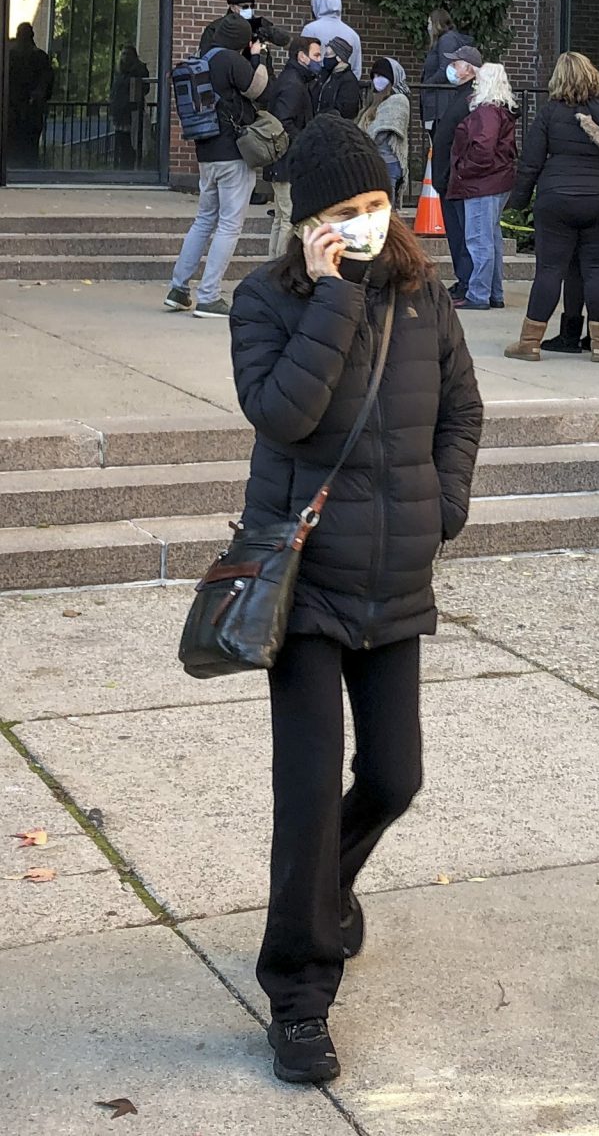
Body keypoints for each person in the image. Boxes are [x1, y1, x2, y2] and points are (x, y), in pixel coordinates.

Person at [228, 112, 482, 1086]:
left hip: (396, 577)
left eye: (376, 205)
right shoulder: (267, 299)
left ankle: (322, 896)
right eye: (346, 213)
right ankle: (298, 993)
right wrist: (333, 296)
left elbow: (462, 409)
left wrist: (444, 505)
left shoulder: (427, 298)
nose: (369, 225)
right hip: (304, 588)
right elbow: (281, 414)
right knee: (306, 795)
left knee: (396, 776)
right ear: (307, 222)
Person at [504, 52, 599, 363]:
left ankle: (530, 343)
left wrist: (517, 202)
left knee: (550, 270)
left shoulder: (551, 112)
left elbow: (531, 162)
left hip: (557, 198)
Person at [165, 15, 269, 319]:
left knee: (203, 220)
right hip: (233, 154)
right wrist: (258, 57)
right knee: (229, 225)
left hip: (206, 151)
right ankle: (209, 296)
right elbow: (257, 89)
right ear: (241, 40)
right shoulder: (231, 61)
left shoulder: (204, 57)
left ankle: (178, 288)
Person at [449, 63, 519, 311]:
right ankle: (493, 293)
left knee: (479, 240)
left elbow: (482, 148)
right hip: (496, 180)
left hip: (482, 182)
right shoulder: (500, 110)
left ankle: (479, 294)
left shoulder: (486, 112)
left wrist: (463, 169)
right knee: (491, 240)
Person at [428, 45, 483, 300]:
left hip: (455, 177)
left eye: (457, 63)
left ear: (469, 69)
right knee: (457, 233)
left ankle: (467, 282)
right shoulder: (462, 96)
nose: (452, 68)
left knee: (462, 235)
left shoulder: (470, 99)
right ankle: (464, 280)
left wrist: (450, 173)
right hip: (448, 176)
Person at [262, 36, 325, 259]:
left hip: (282, 161)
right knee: (288, 218)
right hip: (287, 161)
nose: (321, 60)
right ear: (302, 56)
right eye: (316, 55)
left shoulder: (293, 81)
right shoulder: (293, 85)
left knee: (281, 218)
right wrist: (304, 141)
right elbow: (284, 122)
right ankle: (278, 268)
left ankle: (272, 266)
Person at [357, 57, 411, 204]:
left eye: (381, 76)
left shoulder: (399, 101)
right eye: (374, 76)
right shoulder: (373, 102)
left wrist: (359, 141)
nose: (376, 80)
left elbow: (379, 133)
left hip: (388, 164)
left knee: (385, 211)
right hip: (371, 162)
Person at [199, 0, 292, 56]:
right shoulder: (215, 28)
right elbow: (206, 55)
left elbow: (284, 40)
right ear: (232, 7)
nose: (249, 9)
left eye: (251, 6)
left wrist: (267, 32)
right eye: (244, 6)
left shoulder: (258, 24)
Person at [419, 9, 475, 129]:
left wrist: (427, 85)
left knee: (438, 141)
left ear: (436, 24)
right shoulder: (446, 40)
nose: (428, 27)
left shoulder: (446, 40)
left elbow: (445, 69)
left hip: (440, 103)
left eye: (429, 23)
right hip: (437, 102)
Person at [6, 23, 53, 164]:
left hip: (12, 113)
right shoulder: (41, 58)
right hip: (31, 113)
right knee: (29, 151)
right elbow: (46, 86)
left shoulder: (10, 57)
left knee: (13, 151)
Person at [301, 0, 362, 77]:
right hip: (346, 87)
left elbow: (303, 62)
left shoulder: (310, 30)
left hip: (316, 87)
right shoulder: (353, 35)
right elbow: (356, 70)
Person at [109, 45, 151, 170]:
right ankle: (122, 169)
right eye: (123, 54)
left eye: (128, 54)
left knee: (132, 144)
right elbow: (114, 92)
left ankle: (131, 170)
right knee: (122, 144)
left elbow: (144, 89)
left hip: (132, 112)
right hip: (119, 114)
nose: (125, 57)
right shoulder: (119, 72)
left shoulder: (138, 70)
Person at [313, 37, 363, 120]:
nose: (325, 57)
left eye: (328, 54)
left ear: (339, 58)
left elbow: (347, 112)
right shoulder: (325, 74)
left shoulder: (349, 81)